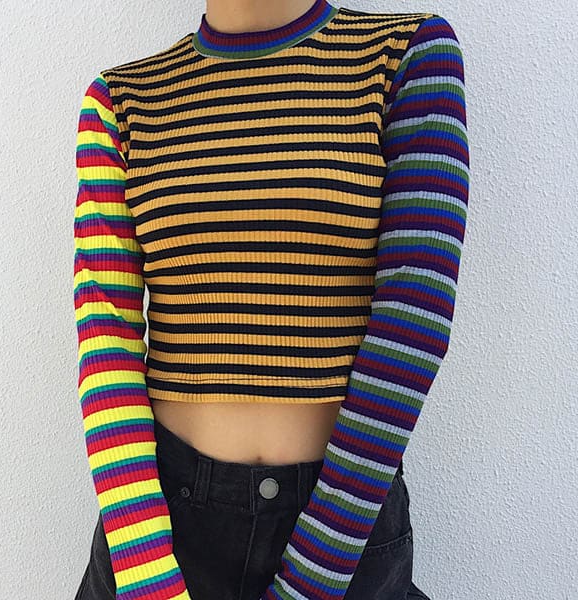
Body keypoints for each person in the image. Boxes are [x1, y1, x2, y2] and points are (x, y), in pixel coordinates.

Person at [72, 0, 469, 598]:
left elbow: (413, 322)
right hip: (156, 535)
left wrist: (314, 574)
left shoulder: (406, 57)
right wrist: (148, 577)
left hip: (343, 528)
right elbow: (107, 343)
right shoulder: (121, 101)